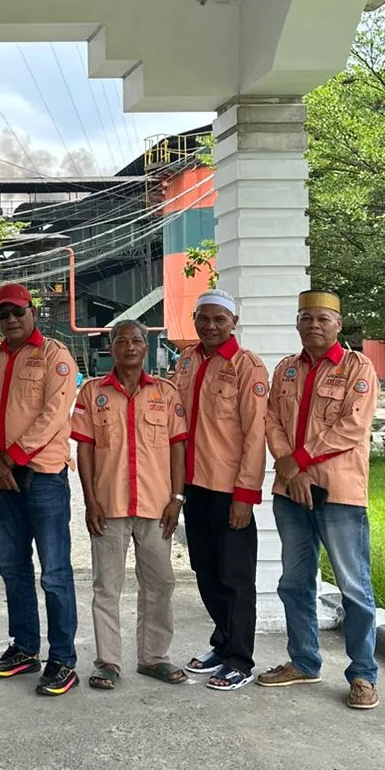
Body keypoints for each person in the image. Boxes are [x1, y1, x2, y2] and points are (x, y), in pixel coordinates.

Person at [259, 290, 381, 710]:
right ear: (297, 323)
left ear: (338, 325)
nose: (314, 325)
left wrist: (298, 461)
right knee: (294, 583)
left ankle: (363, 674)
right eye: (306, 318)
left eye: (323, 319)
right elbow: (271, 419)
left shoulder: (357, 368)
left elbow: (353, 426)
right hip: (290, 493)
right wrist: (289, 468)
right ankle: (304, 661)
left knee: (354, 587)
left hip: (339, 494)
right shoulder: (286, 369)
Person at [72, 318, 187, 691]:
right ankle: (108, 661)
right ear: (111, 347)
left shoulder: (166, 393)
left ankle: (153, 657)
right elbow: (85, 449)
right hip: (109, 506)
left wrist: (177, 498)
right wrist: (90, 500)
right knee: (107, 586)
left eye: (137, 340)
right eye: (121, 341)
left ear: (146, 346)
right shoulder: (92, 392)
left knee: (160, 583)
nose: (130, 346)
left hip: (156, 506)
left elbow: (178, 447)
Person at [0, 283, 81, 697]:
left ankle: (63, 660)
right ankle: (24, 648)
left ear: (32, 311)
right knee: (13, 569)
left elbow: (55, 414)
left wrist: (11, 458)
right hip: (2, 479)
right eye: (2, 314)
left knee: (54, 573)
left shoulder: (55, 355)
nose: (11, 319)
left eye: (17, 311)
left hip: (43, 478)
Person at [171, 292, 269, 691]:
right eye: (204, 318)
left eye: (220, 319)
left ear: (234, 322)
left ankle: (240, 660)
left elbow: (256, 434)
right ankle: (223, 642)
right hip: (193, 485)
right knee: (205, 569)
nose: (211, 326)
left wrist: (246, 494)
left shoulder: (248, 367)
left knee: (236, 577)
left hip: (229, 489)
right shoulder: (187, 360)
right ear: (195, 319)